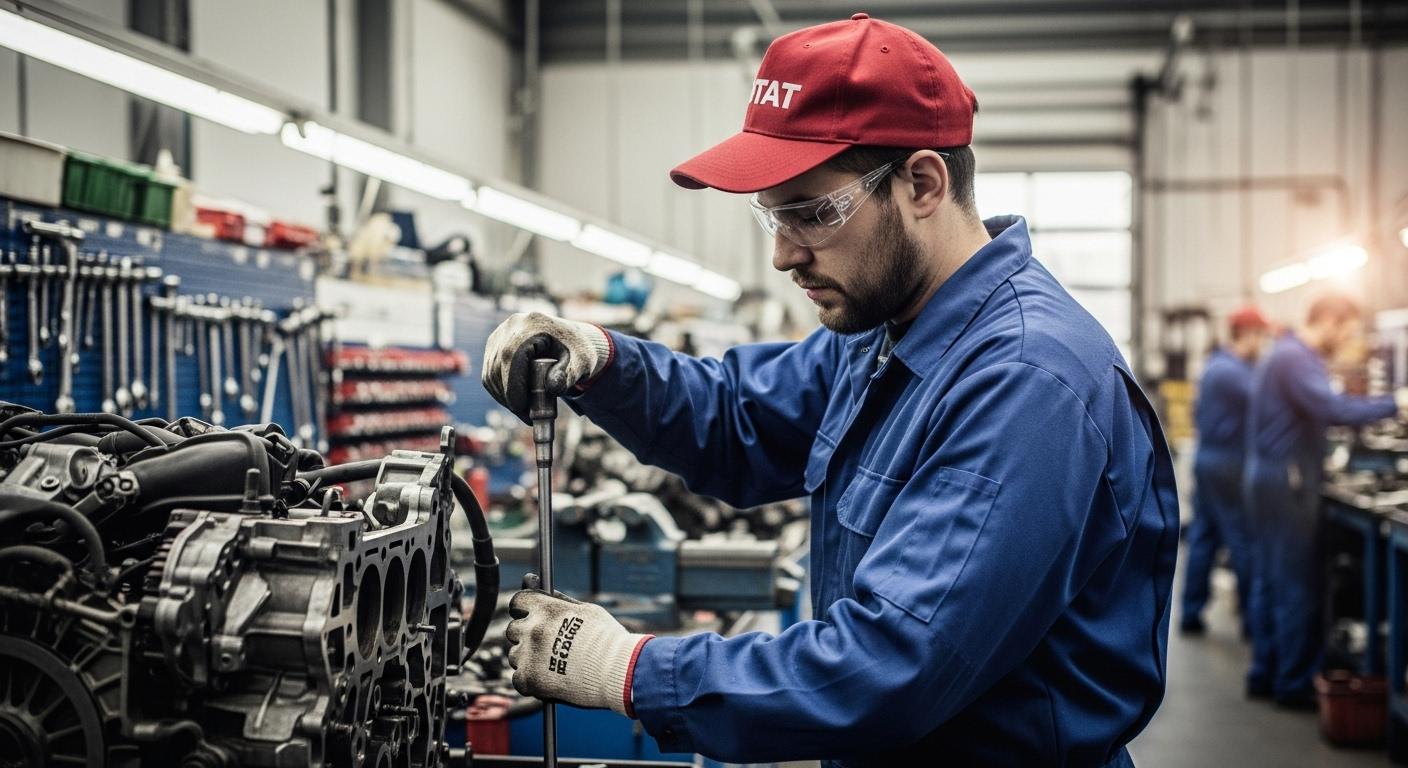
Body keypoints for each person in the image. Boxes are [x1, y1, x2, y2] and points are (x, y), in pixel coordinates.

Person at [481, 13, 1179, 766]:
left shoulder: (1025, 383)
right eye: (772, 216)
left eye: (812, 213)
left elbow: (888, 664)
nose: (783, 255)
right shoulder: (885, 330)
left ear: (922, 183)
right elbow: (739, 420)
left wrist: (628, 668)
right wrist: (604, 362)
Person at [1242, 293, 1408, 707]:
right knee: (1294, 584)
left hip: (1271, 477)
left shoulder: (1286, 353)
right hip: (1289, 481)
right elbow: (1332, 408)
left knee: (1270, 579)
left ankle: (1266, 672)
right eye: (1347, 331)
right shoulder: (1296, 357)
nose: (1348, 341)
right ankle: (1293, 683)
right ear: (1330, 321)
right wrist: (1396, 402)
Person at [1179, 306, 1270, 636]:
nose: (1264, 344)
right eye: (1261, 336)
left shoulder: (1215, 365)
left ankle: (1190, 613)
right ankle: (1251, 620)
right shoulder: (1233, 371)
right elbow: (1266, 400)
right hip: (1228, 464)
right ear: (1246, 334)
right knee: (1241, 538)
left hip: (1208, 460)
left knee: (1203, 536)